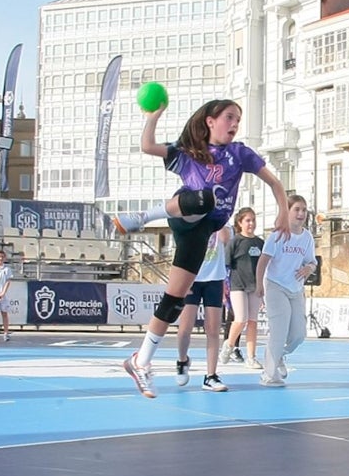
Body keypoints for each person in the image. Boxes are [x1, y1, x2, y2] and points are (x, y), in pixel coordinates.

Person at [113, 98, 289, 398]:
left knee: (173, 300)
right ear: (210, 120)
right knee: (204, 198)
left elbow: (274, 183)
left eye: (238, 120)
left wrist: (283, 211)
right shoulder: (189, 153)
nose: (234, 125)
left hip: (204, 231)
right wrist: (153, 116)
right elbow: (147, 146)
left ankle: (139, 362)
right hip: (185, 215)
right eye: (229, 117)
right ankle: (141, 217)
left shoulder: (239, 154)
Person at [256, 194, 317, 387]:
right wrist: (259, 285)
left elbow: (312, 262)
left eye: (304, 210)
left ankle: (280, 355)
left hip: (296, 288)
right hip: (275, 286)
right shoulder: (278, 235)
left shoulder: (307, 237)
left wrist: (309, 268)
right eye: (297, 209)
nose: (301, 214)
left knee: (298, 334)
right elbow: (263, 261)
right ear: (287, 212)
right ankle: (270, 375)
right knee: (279, 331)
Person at [173, 225, 231, 392]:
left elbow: (225, 239)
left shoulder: (221, 222)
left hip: (214, 279)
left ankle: (211, 375)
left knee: (213, 329)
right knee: (185, 328)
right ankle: (182, 360)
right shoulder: (191, 221)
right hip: (192, 277)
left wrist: (219, 221)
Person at [222, 206, 263, 369]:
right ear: (240, 223)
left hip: (255, 286)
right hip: (237, 286)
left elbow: (264, 266)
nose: (251, 223)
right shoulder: (235, 242)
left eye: (253, 220)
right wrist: (225, 289)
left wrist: (262, 286)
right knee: (240, 319)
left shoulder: (260, 243)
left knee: (253, 322)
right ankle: (229, 345)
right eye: (247, 220)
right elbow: (226, 266)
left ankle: (251, 357)